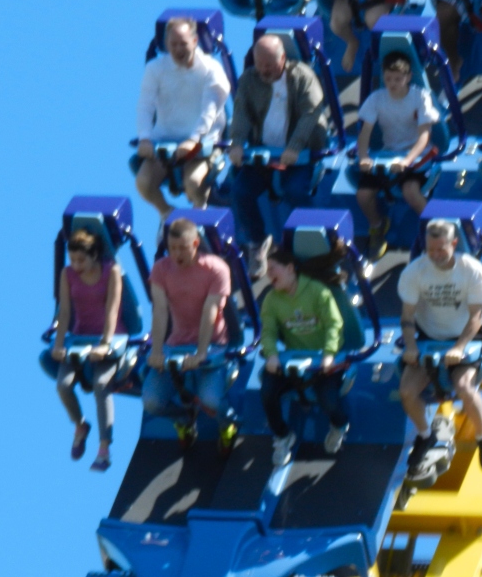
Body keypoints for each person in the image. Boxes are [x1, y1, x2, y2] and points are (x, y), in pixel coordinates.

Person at [398, 219, 482, 474]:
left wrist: (460, 347)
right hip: (429, 338)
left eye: (440, 249)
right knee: (407, 392)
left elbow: (478, 316)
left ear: (454, 244)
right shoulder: (415, 272)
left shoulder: (471, 271)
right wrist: (410, 346)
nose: (435, 255)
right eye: (430, 250)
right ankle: (425, 434)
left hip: (465, 336)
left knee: (464, 386)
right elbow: (407, 317)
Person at [229, 34, 330, 279]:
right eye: (259, 63)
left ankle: (311, 238)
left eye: (269, 64)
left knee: (295, 190)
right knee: (241, 191)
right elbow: (241, 113)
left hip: (300, 153)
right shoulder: (249, 80)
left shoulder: (302, 77)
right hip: (264, 153)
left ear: (283, 58)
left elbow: (311, 114)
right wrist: (237, 143)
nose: (264, 69)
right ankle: (257, 242)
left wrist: (295, 146)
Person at [143, 218, 232, 443]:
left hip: (212, 346)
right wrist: (156, 351)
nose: (176, 254)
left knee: (210, 401)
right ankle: (184, 419)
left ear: (195, 244)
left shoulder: (216, 269)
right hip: (176, 344)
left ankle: (227, 424)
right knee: (151, 402)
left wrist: (201, 353)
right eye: (172, 248)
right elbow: (160, 311)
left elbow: (209, 311)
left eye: (182, 248)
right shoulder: (161, 269)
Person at [260, 246, 350, 466]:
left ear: (290, 269)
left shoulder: (318, 292)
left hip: (325, 361)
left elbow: (334, 325)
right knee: (267, 392)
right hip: (295, 361)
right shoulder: (271, 300)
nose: (268, 274)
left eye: (273, 268)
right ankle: (282, 435)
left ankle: (339, 425)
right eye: (266, 270)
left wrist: (329, 355)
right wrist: (271, 355)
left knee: (327, 399)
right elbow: (268, 332)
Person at [134, 17, 231, 220]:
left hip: (203, 145)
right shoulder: (155, 69)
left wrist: (194, 139)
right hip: (165, 142)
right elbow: (145, 105)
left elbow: (210, 110)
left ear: (195, 41)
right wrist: (144, 137)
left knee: (194, 183)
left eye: (183, 44)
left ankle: (198, 220)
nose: (178, 49)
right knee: (143, 183)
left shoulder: (211, 69)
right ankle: (168, 215)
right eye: (173, 44)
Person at [50, 229, 125, 472]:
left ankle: (104, 448)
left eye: (81, 260)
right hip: (80, 338)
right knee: (63, 384)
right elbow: (64, 312)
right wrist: (59, 344)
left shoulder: (111, 271)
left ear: (94, 256)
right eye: (73, 260)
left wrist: (105, 344)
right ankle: (80, 425)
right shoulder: (68, 274)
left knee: (101, 383)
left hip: (109, 337)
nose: (76, 265)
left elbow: (113, 309)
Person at [356, 51, 442, 260]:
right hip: (387, 156)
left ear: (409, 76)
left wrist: (407, 160)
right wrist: (363, 157)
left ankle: (438, 235)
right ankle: (377, 225)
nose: (392, 83)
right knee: (363, 195)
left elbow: (424, 137)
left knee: (411, 192)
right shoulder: (376, 99)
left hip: (417, 157)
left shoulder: (420, 96)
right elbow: (365, 133)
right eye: (388, 79)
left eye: (398, 79)